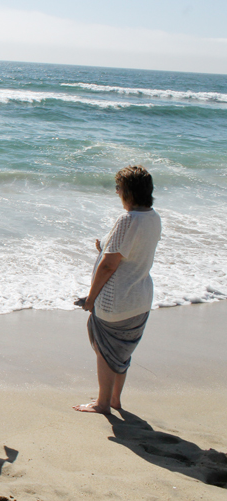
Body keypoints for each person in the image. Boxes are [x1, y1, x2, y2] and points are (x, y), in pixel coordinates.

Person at [74, 165, 161, 414]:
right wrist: (104, 245)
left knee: (105, 351)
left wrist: (90, 299)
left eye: (118, 188)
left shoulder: (128, 219)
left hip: (116, 302)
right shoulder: (153, 217)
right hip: (140, 299)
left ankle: (102, 404)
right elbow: (134, 249)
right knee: (121, 354)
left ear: (128, 191)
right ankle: (114, 400)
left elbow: (109, 265)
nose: (116, 192)